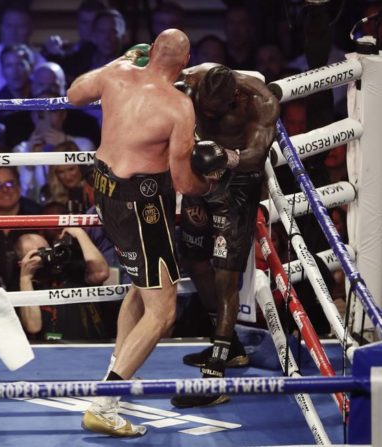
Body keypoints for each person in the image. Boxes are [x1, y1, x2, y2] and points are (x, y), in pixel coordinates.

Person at [67, 29, 208, 437]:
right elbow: (183, 182)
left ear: (151, 52)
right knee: (162, 311)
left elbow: (74, 94)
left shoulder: (117, 72)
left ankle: (119, 369)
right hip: (142, 205)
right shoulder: (179, 107)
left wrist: (122, 60)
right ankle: (104, 404)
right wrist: (212, 183)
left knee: (141, 285)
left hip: (105, 192)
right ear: (184, 63)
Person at [173, 64, 280, 407]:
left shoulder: (260, 101)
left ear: (234, 96)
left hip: (238, 186)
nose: (207, 115)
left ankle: (215, 377)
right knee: (195, 261)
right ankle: (230, 347)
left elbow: (257, 154)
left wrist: (226, 157)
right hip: (200, 179)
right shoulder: (191, 82)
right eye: (203, 108)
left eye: (214, 111)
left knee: (225, 277)